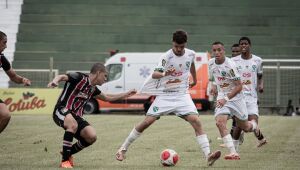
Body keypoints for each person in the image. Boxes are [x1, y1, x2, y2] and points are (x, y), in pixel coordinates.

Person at [115, 30, 221, 166]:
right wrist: (165, 73)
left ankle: (208, 156)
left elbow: (191, 64)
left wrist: (194, 79)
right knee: (147, 122)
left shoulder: (190, 54)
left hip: (182, 95)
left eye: (181, 46)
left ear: (185, 44)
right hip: (165, 95)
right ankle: (123, 149)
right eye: (176, 46)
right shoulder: (166, 57)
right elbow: (155, 74)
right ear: (172, 43)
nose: (178, 49)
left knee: (196, 121)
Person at [48, 63, 136, 168]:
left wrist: (126, 94)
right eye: (105, 75)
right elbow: (62, 76)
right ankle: (65, 161)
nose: (106, 79)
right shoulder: (79, 77)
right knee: (72, 125)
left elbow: (107, 98)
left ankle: (67, 152)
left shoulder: (93, 88)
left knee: (91, 136)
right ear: (98, 73)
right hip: (61, 110)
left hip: (76, 116)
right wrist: (54, 81)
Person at [208, 41, 261, 160]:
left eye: (219, 50)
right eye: (214, 50)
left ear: (224, 51)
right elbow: (212, 77)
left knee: (246, 127)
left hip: (236, 99)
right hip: (222, 97)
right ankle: (233, 152)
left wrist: (226, 99)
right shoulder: (211, 63)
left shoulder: (230, 66)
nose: (217, 52)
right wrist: (213, 86)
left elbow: (239, 86)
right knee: (219, 123)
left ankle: (254, 125)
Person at [231, 37, 267, 147]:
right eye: (241, 44)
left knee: (252, 122)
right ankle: (234, 151)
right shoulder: (233, 61)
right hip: (239, 96)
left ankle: (258, 135)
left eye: (245, 44)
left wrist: (260, 85)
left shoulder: (258, 60)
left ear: (249, 45)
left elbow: (260, 75)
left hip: (252, 97)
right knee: (238, 124)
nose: (243, 46)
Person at [0, 31, 31, 134]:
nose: (6, 46)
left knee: (5, 115)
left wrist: (22, 80)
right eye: (4, 42)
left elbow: (13, 76)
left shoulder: (2, 59)